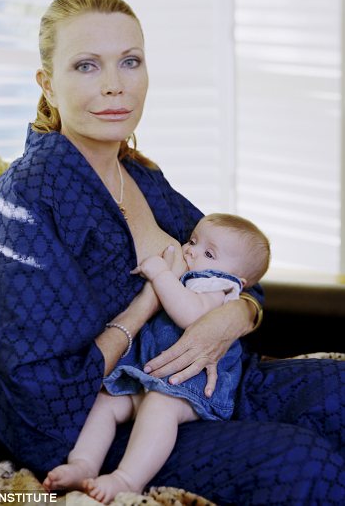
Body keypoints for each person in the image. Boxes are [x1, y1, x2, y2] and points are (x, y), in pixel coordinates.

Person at [0, 0, 345, 505]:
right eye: (87, 66)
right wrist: (147, 304)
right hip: (108, 423)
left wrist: (235, 316)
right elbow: (41, 395)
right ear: (47, 84)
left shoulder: (141, 176)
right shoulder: (29, 200)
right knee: (304, 462)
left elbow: (237, 265)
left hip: (214, 382)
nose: (115, 85)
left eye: (130, 61)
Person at [43, 213, 271, 502]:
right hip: (148, 377)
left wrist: (161, 274)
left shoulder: (217, 286)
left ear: (238, 280)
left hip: (189, 388)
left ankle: (128, 479)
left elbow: (189, 313)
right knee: (106, 401)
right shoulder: (195, 275)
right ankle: (84, 463)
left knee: (159, 407)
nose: (191, 251)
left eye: (209, 253)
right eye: (193, 241)